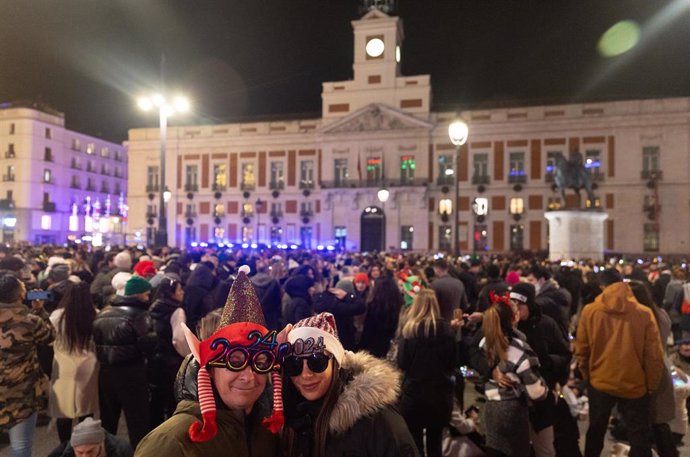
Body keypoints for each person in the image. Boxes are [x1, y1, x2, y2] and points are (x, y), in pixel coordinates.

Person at [135, 265, 282, 457]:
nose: (249, 376)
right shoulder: (170, 443)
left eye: (261, 363)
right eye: (234, 361)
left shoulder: (265, 430)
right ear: (210, 369)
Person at [282, 312, 418, 457]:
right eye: (294, 364)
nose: (306, 374)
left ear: (336, 363)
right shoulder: (292, 417)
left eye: (317, 362)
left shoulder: (377, 421)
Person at [575, 269, 665, 457]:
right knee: (638, 433)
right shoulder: (644, 313)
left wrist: (587, 374)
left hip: (600, 379)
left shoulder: (590, 311)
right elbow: (653, 355)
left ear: (602, 287)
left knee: (596, 429)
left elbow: (582, 349)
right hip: (634, 382)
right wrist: (652, 383)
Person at [479, 293, 548, 457]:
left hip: (491, 407)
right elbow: (536, 392)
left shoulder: (485, 342)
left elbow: (472, 369)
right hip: (513, 411)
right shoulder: (519, 349)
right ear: (512, 319)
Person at [93, 275, 158, 448]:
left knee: (108, 421)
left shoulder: (102, 313)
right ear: (137, 295)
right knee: (138, 422)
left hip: (105, 373)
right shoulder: (140, 316)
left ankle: (107, 451)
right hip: (132, 373)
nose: (148, 297)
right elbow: (149, 346)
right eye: (146, 294)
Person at [512, 282, 573, 457]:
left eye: (520, 305)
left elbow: (564, 353)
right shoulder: (506, 325)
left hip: (542, 395)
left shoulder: (546, 324)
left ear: (529, 304)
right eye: (512, 305)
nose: (515, 310)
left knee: (544, 448)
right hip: (513, 398)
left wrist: (547, 363)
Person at [0, 272, 55, 457]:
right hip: (23, 393)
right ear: (20, 295)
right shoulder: (30, 321)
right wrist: (39, 310)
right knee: (20, 446)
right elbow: (49, 337)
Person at [397, 289, 457, 457]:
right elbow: (452, 363)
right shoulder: (447, 331)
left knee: (415, 443)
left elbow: (402, 363)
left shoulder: (409, 331)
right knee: (435, 443)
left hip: (414, 395)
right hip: (439, 396)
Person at [49, 282, 99, 443]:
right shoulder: (94, 315)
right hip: (88, 365)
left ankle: (65, 447)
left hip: (63, 366)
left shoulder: (57, 316)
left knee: (63, 411)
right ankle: (85, 446)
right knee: (86, 410)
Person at [148, 277, 190, 427]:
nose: (182, 292)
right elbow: (179, 339)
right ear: (171, 293)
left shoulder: (154, 306)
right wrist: (188, 355)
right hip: (172, 362)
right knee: (173, 400)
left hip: (155, 359)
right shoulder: (177, 310)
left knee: (156, 402)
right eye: (179, 290)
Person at [359, 275, 404, 358]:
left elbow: (367, 331)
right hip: (389, 343)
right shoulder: (398, 303)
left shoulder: (373, 305)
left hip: (373, 345)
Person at [47, 417, 133, 457]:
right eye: (80, 453)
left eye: (90, 451)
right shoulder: (62, 453)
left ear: (101, 445)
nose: (85, 456)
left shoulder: (122, 450)